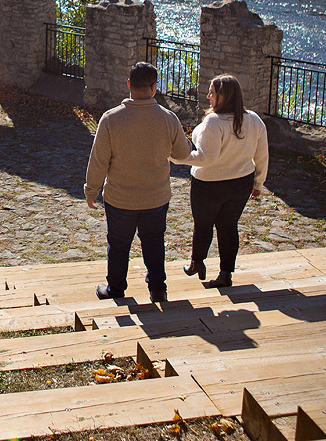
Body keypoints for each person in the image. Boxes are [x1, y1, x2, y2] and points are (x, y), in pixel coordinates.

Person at [84, 62, 192, 302]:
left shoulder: (111, 119)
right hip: (155, 196)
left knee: (119, 244)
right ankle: (157, 288)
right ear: (154, 87)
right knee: (154, 242)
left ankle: (116, 288)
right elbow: (183, 153)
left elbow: (98, 160)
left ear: (129, 85)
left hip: (120, 198)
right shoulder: (168, 118)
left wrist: (91, 190)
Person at [183, 73, 269, 289]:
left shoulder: (214, 121)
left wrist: (175, 156)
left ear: (223, 96)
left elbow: (205, 158)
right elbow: (262, 155)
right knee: (229, 226)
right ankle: (225, 274)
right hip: (241, 182)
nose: (208, 96)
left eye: (212, 92)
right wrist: (258, 183)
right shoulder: (254, 120)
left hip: (209, 184)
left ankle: (197, 262)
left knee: (203, 225)